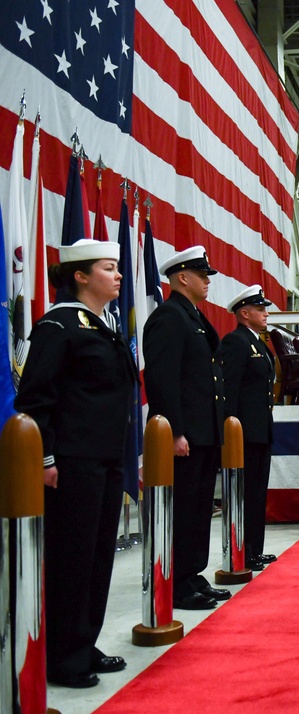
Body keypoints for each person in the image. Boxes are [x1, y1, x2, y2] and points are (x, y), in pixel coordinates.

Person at [15, 240, 138, 688]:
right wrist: (45, 458)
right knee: (72, 558)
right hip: (71, 461)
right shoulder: (59, 325)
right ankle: (63, 655)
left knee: (98, 555)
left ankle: (83, 641)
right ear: (81, 276)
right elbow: (35, 399)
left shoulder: (101, 325)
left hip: (103, 459)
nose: (119, 275)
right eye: (109, 268)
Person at [143, 246, 229, 610]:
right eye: (202, 275)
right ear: (182, 278)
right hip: (185, 434)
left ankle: (193, 573)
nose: (208, 281)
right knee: (182, 509)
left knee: (198, 507)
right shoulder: (169, 317)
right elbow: (163, 380)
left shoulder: (192, 316)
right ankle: (177, 582)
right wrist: (174, 430)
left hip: (203, 431)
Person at [218, 285, 277, 571]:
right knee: (246, 494)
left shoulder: (257, 343)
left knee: (257, 494)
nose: (266, 313)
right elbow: (228, 390)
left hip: (260, 431)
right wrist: (230, 430)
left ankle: (255, 548)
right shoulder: (236, 342)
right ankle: (244, 548)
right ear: (244, 313)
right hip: (243, 433)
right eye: (260, 309)